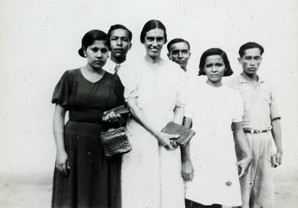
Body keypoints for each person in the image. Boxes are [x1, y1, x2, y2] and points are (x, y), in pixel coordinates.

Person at [51, 30, 124, 208]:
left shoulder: (114, 81)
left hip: (103, 146)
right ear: (84, 50)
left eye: (104, 50)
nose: (99, 55)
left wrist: (116, 118)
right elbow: (58, 116)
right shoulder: (70, 77)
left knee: (100, 195)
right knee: (71, 196)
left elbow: (123, 113)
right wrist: (61, 151)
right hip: (74, 144)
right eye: (94, 49)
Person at [119, 20, 186, 208]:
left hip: (169, 138)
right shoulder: (130, 68)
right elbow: (132, 104)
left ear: (165, 40)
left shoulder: (175, 70)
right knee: (138, 189)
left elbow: (180, 106)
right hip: (139, 136)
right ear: (143, 40)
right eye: (150, 39)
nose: (154, 44)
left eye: (159, 39)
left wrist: (172, 133)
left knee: (169, 189)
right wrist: (158, 134)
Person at [182, 48, 252, 208]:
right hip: (200, 157)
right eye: (209, 65)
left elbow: (238, 129)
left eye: (219, 65)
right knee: (200, 200)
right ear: (203, 68)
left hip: (224, 156)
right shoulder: (195, 92)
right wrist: (186, 160)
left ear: (226, 67)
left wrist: (248, 155)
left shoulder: (233, 95)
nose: (214, 69)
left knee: (224, 201)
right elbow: (186, 129)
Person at [226, 42, 283, 208]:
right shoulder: (232, 85)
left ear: (261, 60)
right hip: (243, 139)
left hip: (265, 139)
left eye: (256, 58)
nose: (252, 63)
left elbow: (275, 118)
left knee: (264, 193)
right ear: (240, 59)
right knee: (242, 190)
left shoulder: (268, 85)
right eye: (248, 58)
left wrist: (279, 149)